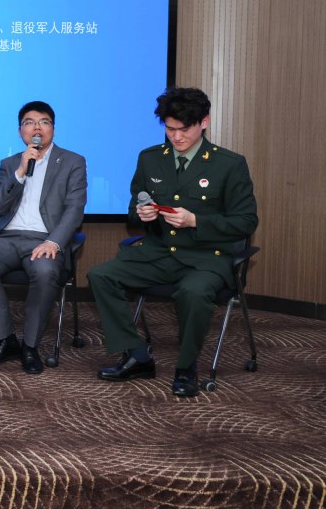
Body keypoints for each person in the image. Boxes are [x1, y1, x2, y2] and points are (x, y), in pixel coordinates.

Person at [90, 87, 258, 397]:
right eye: (169, 129)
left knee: (193, 293)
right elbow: (134, 210)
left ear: (204, 122)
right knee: (101, 276)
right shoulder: (150, 158)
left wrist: (196, 221)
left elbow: (246, 222)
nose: (176, 137)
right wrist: (143, 214)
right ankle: (137, 355)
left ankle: (186, 367)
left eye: (184, 129)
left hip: (206, 257)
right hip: (159, 252)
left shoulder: (229, 164)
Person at [0, 101, 87, 373]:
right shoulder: (10, 164)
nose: (37, 127)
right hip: (8, 237)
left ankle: (30, 346)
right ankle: (6, 340)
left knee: (45, 272)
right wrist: (21, 172)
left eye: (44, 122)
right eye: (29, 122)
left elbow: (75, 208)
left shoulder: (73, 161)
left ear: (53, 130)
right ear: (21, 131)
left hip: (46, 238)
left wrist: (54, 242)